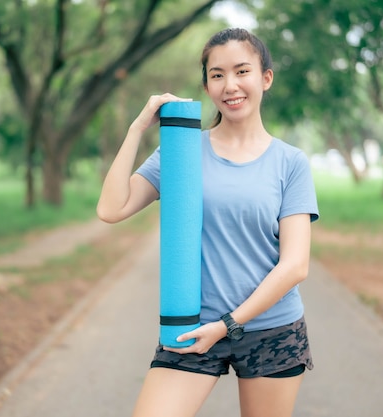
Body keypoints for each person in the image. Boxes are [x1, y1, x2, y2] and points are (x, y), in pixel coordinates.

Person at [97, 27, 319, 417]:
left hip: (271, 330)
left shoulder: (290, 162)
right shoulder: (183, 151)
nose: (230, 85)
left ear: (265, 78)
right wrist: (138, 128)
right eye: (217, 75)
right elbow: (112, 209)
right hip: (192, 328)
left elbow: (295, 265)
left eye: (242, 71)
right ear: (206, 86)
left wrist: (228, 325)